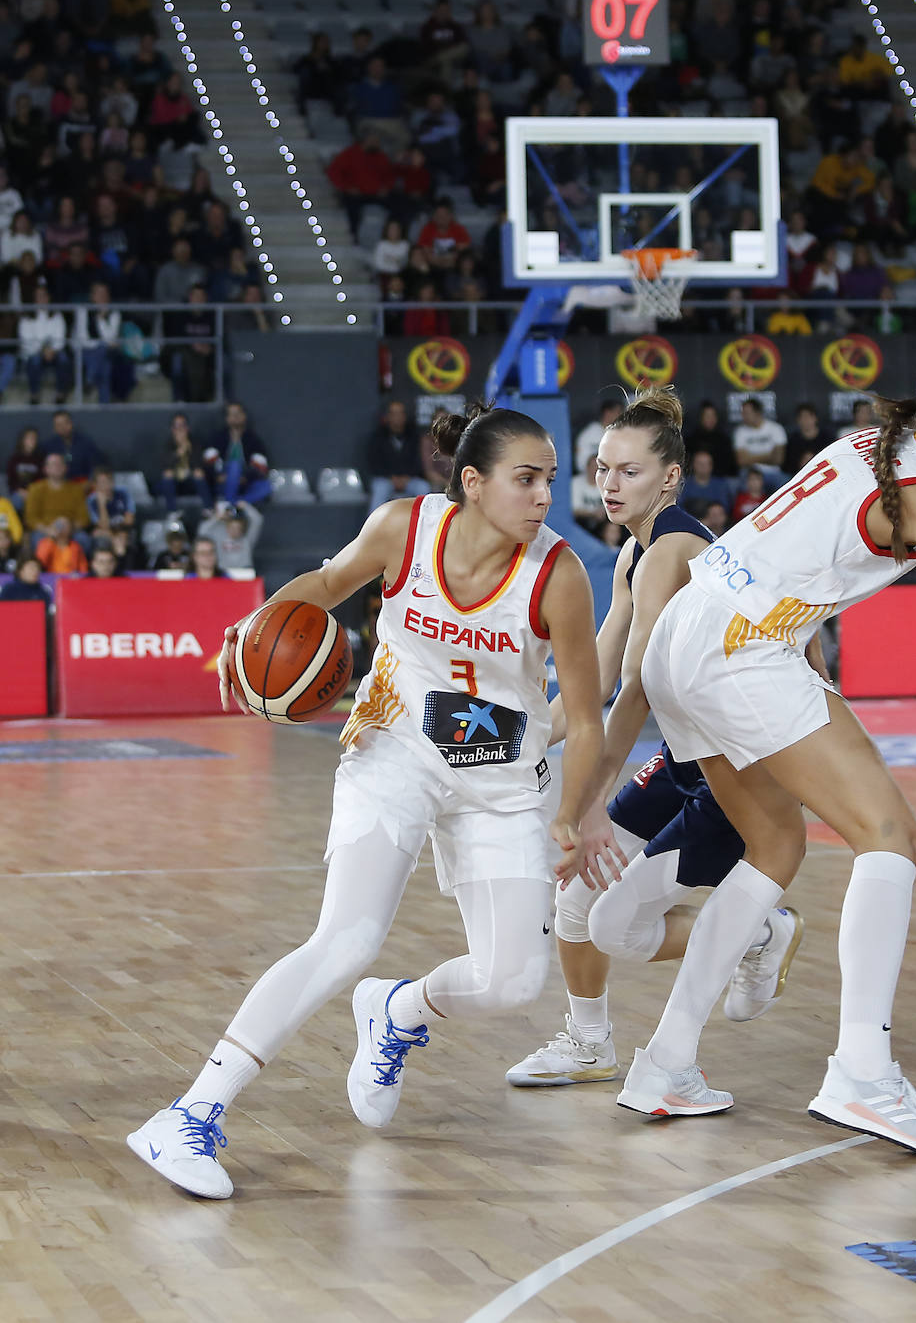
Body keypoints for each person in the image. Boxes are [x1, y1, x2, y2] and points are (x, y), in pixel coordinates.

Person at [128, 403, 607, 1199]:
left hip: (498, 780)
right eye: (526, 480)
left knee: (513, 982)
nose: (542, 497)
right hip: (395, 750)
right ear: (473, 482)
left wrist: (573, 815)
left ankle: (398, 1009)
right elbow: (322, 584)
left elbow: (585, 721)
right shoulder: (402, 529)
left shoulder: (557, 575)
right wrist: (250, 629)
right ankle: (189, 1114)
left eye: (549, 481)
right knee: (344, 937)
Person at [608, 347, 916, 1147]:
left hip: (689, 635)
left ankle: (664, 1063)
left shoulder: (876, 442)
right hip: (741, 646)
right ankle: (861, 1073)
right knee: (890, 834)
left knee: (772, 843)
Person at [506, 387, 806, 1090]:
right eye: (602, 469)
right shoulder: (634, 555)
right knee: (576, 897)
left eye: (627, 471)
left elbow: (635, 691)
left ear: (669, 477)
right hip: (685, 761)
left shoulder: (675, 550)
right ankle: (587, 1046)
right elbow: (595, 679)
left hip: (739, 772)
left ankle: (758, 933)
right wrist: (519, 746)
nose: (608, 484)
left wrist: (586, 801)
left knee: (614, 925)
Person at [203, 401, 271, 506]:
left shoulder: (252, 439)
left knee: (266, 487)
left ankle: (231, 504)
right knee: (234, 465)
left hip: (244, 482)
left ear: (244, 416)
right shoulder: (218, 438)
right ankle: (234, 504)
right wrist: (218, 476)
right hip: (223, 482)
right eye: (232, 414)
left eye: (238, 413)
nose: (235, 417)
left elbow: (261, 467)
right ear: (227, 418)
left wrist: (245, 478)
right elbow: (207, 463)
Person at [366, 400, 428, 513]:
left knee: (423, 487)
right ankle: (373, 527)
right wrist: (391, 478)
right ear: (387, 416)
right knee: (379, 489)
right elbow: (374, 462)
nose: (397, 417)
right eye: (394, 413)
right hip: (386, 479)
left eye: (400, 413)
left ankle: (426, 526)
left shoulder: (413, 436)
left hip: (409, 479)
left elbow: (419, 461)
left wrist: (406, 477)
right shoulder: (378, 437)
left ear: (405, 416)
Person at [157, 411, 214, 514]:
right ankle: (172, 512)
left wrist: (188, 448)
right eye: (176, 426)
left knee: (198, 473)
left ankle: (208, 508)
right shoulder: (167, 444)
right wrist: (179, 452)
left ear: (187, 428)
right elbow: (164, 465)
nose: (180, 429)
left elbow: (199, 465)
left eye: (182, 425)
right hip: (174, 482)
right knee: (167, 474)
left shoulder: (195, 443)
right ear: (172, 429)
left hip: (190, 481)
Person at [197, 500, 262, 572]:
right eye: (232, 527)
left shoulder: (247, 538)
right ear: (226, 526)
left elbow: (258, 520)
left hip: (244, 571)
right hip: (223, 572)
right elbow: (202, 531)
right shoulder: (219, 536)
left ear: (243, 528)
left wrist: (245, 506)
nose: (235, 531)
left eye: (238, 528)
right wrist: (217, 517)